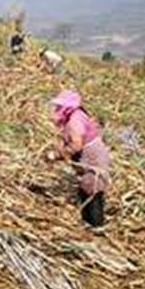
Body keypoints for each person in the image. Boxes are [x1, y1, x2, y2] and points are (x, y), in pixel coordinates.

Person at [48, 90, 110, 227]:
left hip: (92, 159)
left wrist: (56, 155)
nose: (57, 110)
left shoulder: (74, 121)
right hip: (92, 156)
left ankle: (95, 226)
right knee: (85, 191)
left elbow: (76, 145)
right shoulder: (77, 115)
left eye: (59, 107)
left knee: (92, 192)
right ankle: (88, 223)